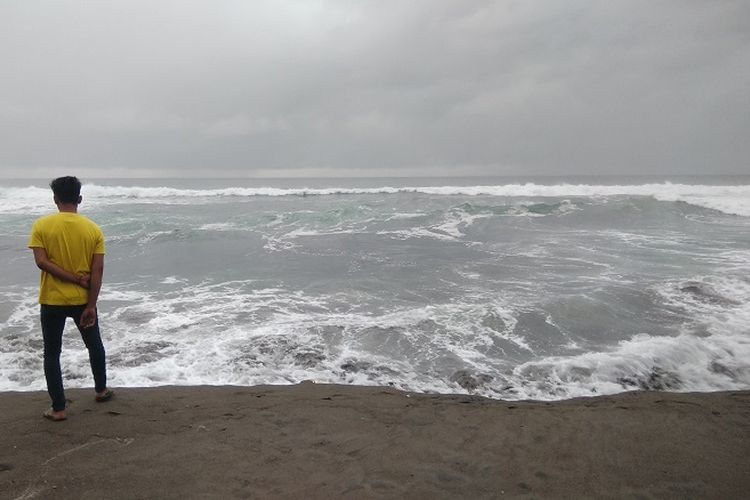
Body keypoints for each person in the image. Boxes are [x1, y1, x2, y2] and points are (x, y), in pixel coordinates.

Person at [28, 176, 113, 421]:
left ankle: (59, 408)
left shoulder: (41, 226)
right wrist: (91, 304)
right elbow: (97, 271)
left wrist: (71, 279)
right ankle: (101, 390)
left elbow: (42, 263)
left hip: (52, 300)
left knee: (52, 353)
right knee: (94, 345)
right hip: (82, 301)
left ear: (55, 199)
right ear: (79, 199)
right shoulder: (93, 229)